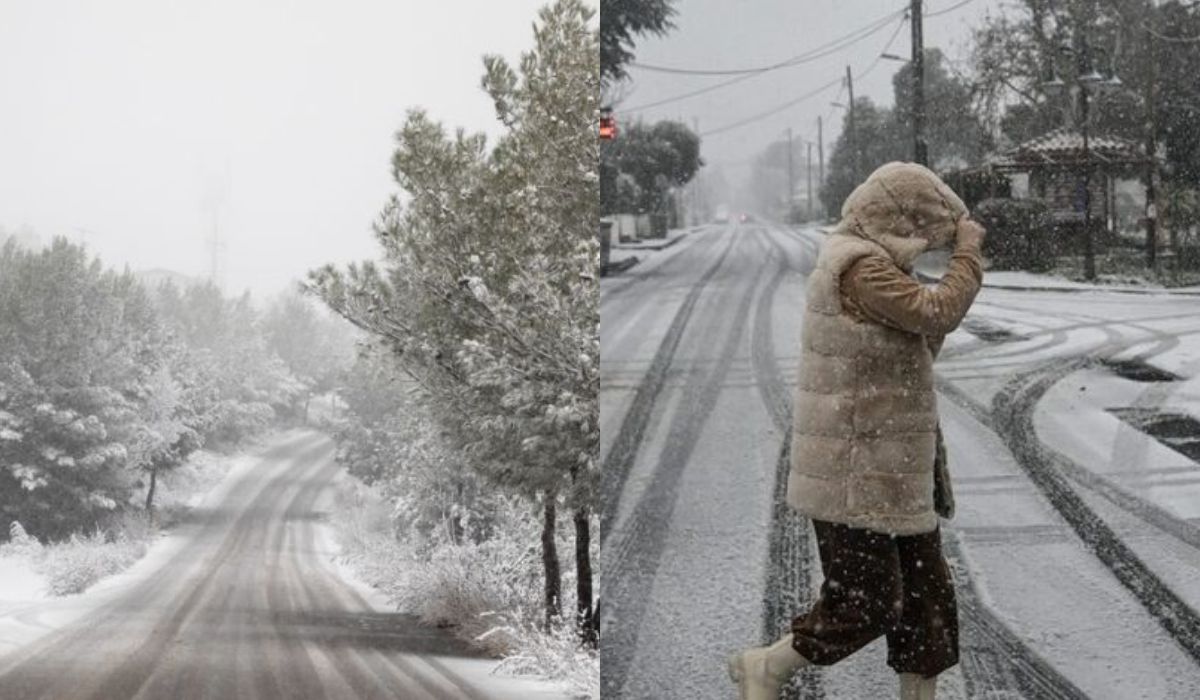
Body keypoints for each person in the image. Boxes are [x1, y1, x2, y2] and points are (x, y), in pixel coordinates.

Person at [728, 162, 986, 700]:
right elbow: (938, 312)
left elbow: (913, 343)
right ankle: (768, 667)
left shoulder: (875, 264)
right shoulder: (860, 267)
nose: (923, 241)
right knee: (866, 601)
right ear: (897, 217)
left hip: (893, 468)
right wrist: (968, 254)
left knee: (928, 604)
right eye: (920, 227)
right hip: (856, 474)